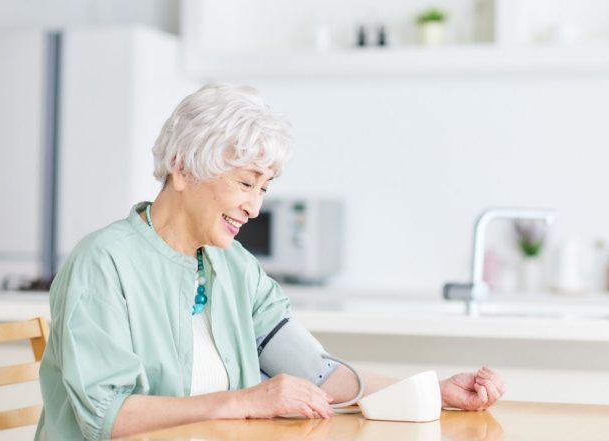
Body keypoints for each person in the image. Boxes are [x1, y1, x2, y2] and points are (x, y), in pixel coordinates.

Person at [35, 84, 505, 441]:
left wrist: (428, 391)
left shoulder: (233, 266)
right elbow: (105, 415)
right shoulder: (103, 263)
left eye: (265, 187)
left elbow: (316, 373)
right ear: (182, 167)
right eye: (245, 183)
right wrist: (246, 402)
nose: (255, 207)